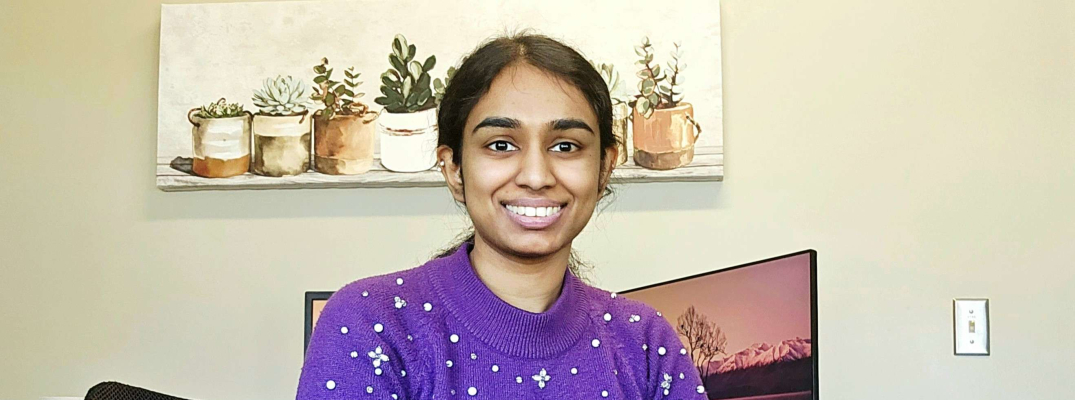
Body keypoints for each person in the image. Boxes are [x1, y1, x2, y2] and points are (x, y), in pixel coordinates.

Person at [296, 32, 707, 400]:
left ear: (604, 168)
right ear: (453, 168)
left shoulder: (645, 343)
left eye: (565, 146)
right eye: (500, 145)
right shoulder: (373, 324)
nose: (535, 176)